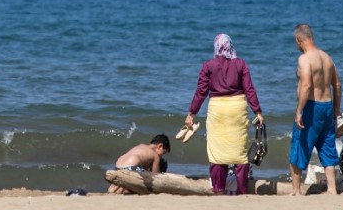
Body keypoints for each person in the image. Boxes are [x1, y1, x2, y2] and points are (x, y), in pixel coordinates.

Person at [183, 33, 265, 195]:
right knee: (239, 152)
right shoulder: (241, 64)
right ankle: (242, 191)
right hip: (237, 110)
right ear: (230, 46)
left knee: (217, 153)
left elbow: (201, 91)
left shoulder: (208, 66)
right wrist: (257, 111)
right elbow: (249, 89)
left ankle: (218, 190)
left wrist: (192, 113)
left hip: (217, 110)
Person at [288, 23, 342, 196]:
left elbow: (306, 85)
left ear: (299, 40)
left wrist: (299, 111)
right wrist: (336, 109)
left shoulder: (305, 59)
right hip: (327, 105)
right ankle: (332, 189)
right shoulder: (327, 57)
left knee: (299, 145)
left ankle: (296, 191)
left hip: (312, 107)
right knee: (327, 146)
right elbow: (337, 84)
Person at [107, 134, 171, 195]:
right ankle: (127, 191)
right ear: (160, 146)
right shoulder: (155, 155)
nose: (161, 156)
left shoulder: (141, 146)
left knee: (123, 182)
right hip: (132, 167)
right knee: (143, 184)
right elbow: (155, 176)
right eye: (163, 153)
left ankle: (113, 189)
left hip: (118, 166)